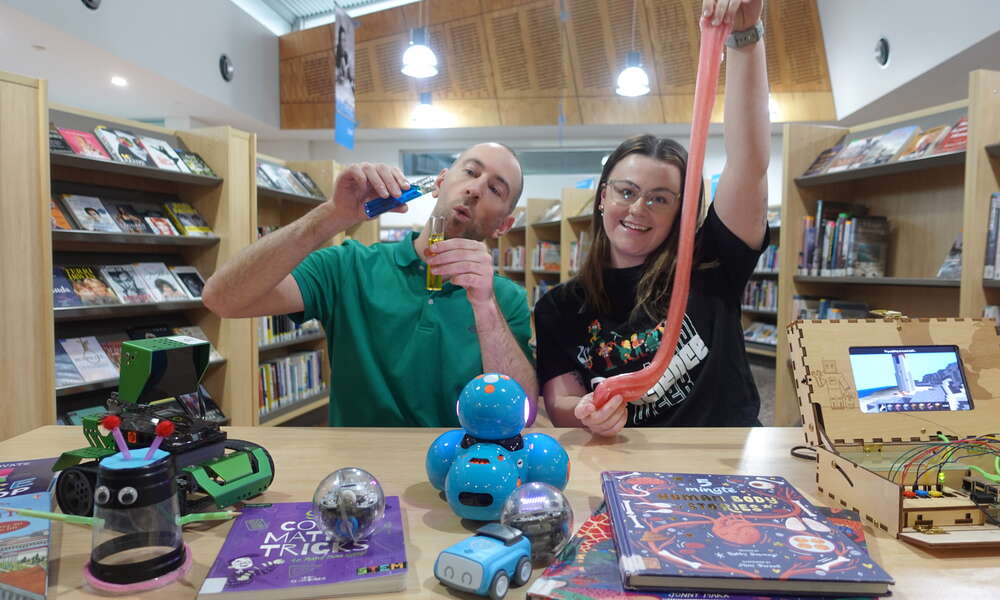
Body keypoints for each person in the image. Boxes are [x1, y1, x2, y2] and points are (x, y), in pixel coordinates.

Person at [533, 0, 770, 437]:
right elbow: (559, 400)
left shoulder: (712, 261)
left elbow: (749, 163)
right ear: (603, 197)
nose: (639, 209)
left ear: (680, 210)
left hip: (724, 465)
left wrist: (744, 39)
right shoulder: (559, 306)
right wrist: (587, 410)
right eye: (627, 192)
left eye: (660, 199)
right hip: (630, 470)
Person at [202, 143, 536, 427]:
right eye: (470, 172)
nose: (475, 189)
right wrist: (334, 214)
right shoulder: (350, 265)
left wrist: (485, 307)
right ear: (440, 182)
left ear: (504, 225)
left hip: (460, 475)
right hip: (356, 479)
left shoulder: (507, 300)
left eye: (495, 189)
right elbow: (222, 299)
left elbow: (524, 413)